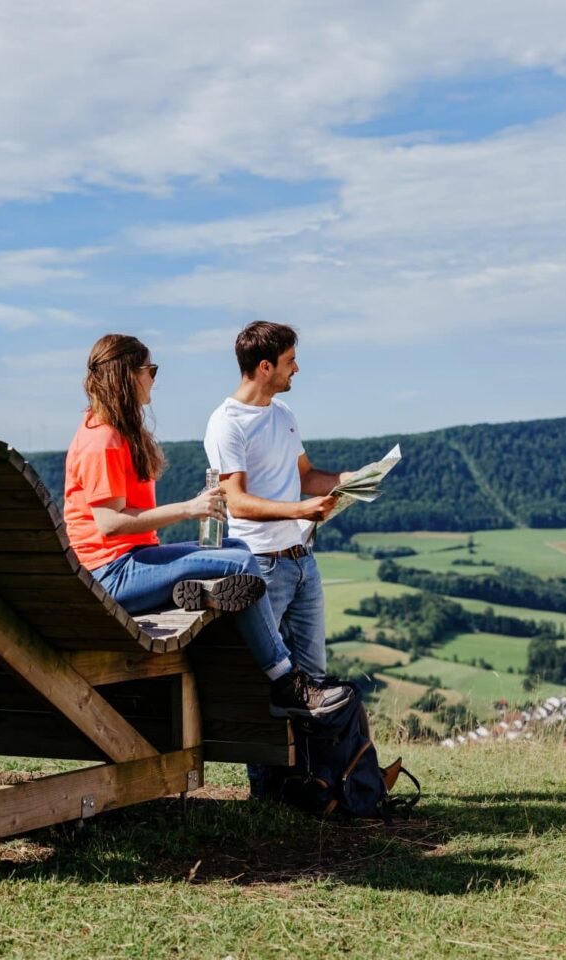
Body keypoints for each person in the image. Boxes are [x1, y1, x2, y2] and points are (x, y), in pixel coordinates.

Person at [62, 334, 350, 719]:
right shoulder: (104, 440)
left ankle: (199, 589)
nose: (154, 378)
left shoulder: (111, 431)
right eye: (150, 370)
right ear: (127, 376)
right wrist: (188, 508)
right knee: (239, 563)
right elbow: (110, 524)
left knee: (239, 550)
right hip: (110, 573)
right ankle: (284, 682)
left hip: (130, 560)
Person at [203, 322, 354, 795]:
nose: (297, 369)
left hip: (302, 560)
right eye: (290, 361)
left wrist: (349, 480)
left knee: (314, 680)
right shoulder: (226, 423)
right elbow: (237, 501)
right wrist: (299, 509)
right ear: (265, 367)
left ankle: (316, 783)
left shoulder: (283, 411)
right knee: (268, 682)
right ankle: (265, 789)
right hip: (261, 566)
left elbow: (306, 476)